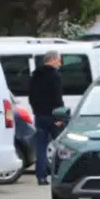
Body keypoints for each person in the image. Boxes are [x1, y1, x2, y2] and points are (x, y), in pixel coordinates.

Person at [29, 51, 65, 186]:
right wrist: (59, 115)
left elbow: (31, 97)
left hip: (40, 116)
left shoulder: (35, 75)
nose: (59, 63)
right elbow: (57, 97)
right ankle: (60, 174)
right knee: (62, 146)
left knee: (41, 147)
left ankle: (41, 177)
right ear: (52, 60)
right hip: (53, 116)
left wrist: (37, 111)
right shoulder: (55, 76)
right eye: (58, 60)